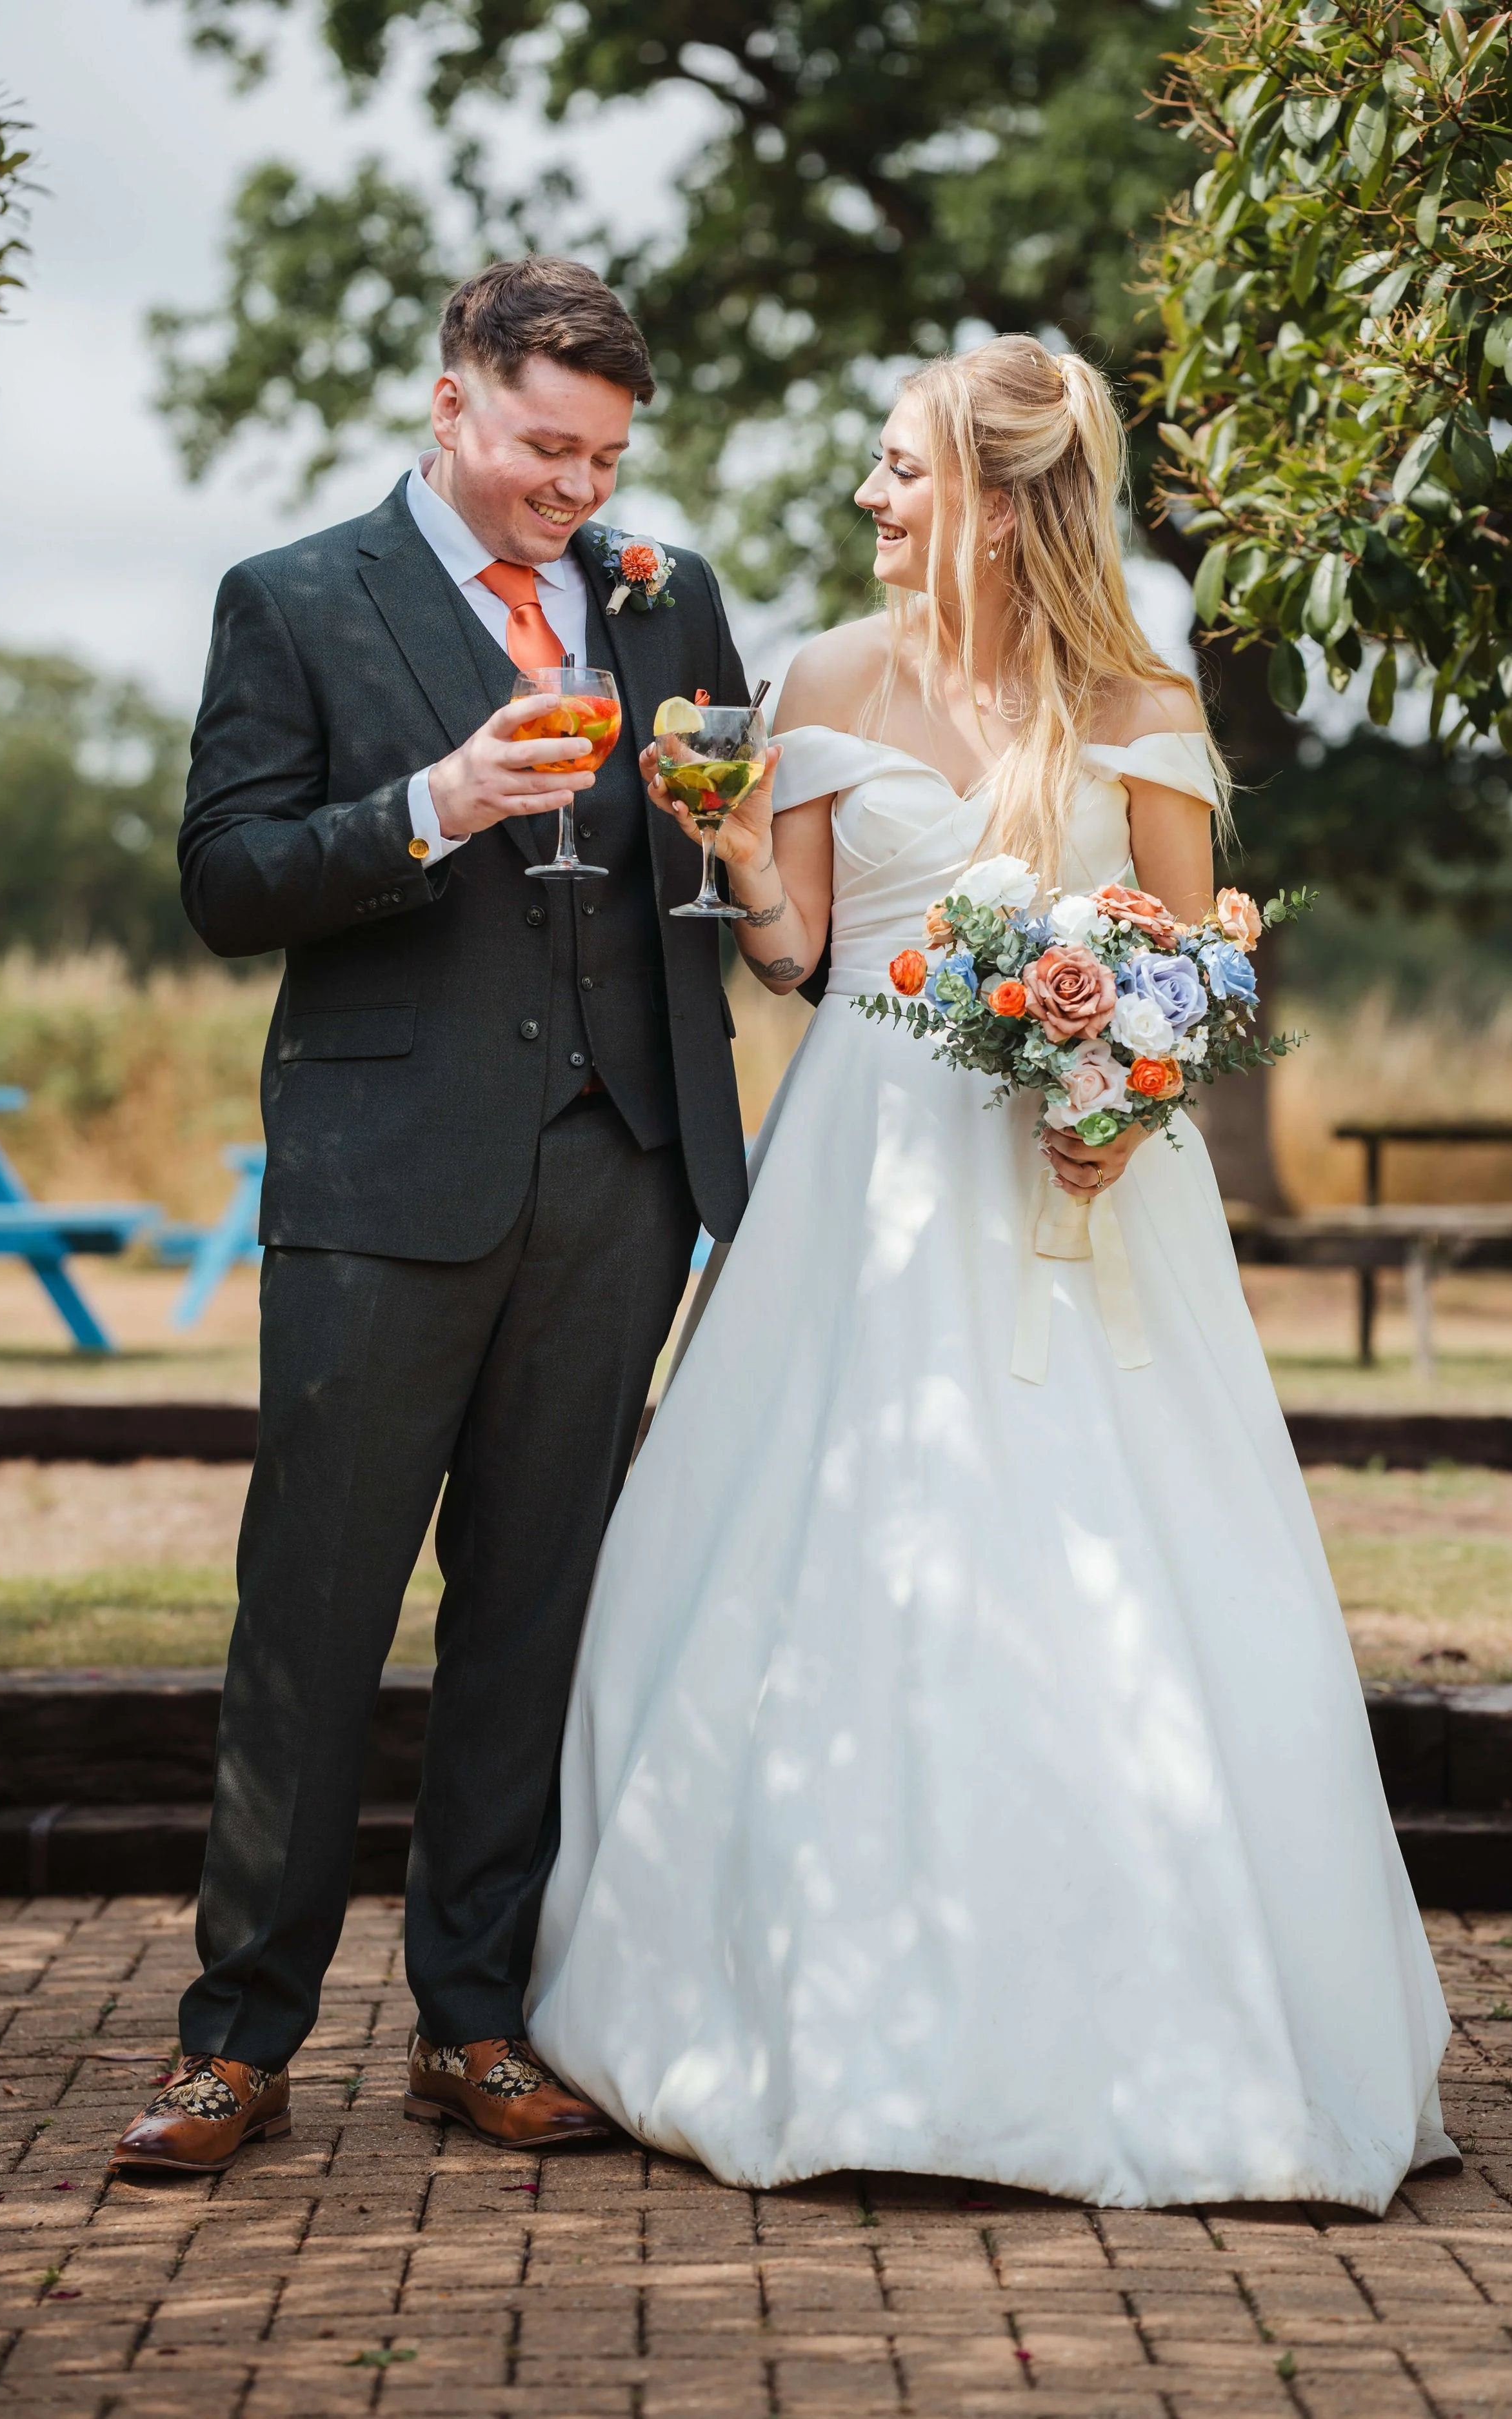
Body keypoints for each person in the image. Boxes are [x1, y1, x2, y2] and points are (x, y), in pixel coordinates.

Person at [528, 335, 1458, 2212]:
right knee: (836, 1549)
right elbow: (789, 951)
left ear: (994, 497)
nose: (867, 498)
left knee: (1124, 1567)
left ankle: (1161, 2022)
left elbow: (1204, 969)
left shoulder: (1138, 697)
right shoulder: (819, 675)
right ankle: (824, 2012)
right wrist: (727, 850)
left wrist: (1131, 1091)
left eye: (895, 470)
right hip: (860, 1181)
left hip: (1091, 1193)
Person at [110, 258, 750, 2178]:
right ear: (452, 399)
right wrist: (433, 804)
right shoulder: (294, 600)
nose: (581, 486)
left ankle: (473, 2018)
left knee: (532, 1613)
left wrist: (731, 841)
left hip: (617, 1161)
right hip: (385, 1183)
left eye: (607, 454)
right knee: (313, 1611)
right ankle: (239, 2041)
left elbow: (710, 854)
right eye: (547, 445)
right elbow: (228, 881)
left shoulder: (665, 597)